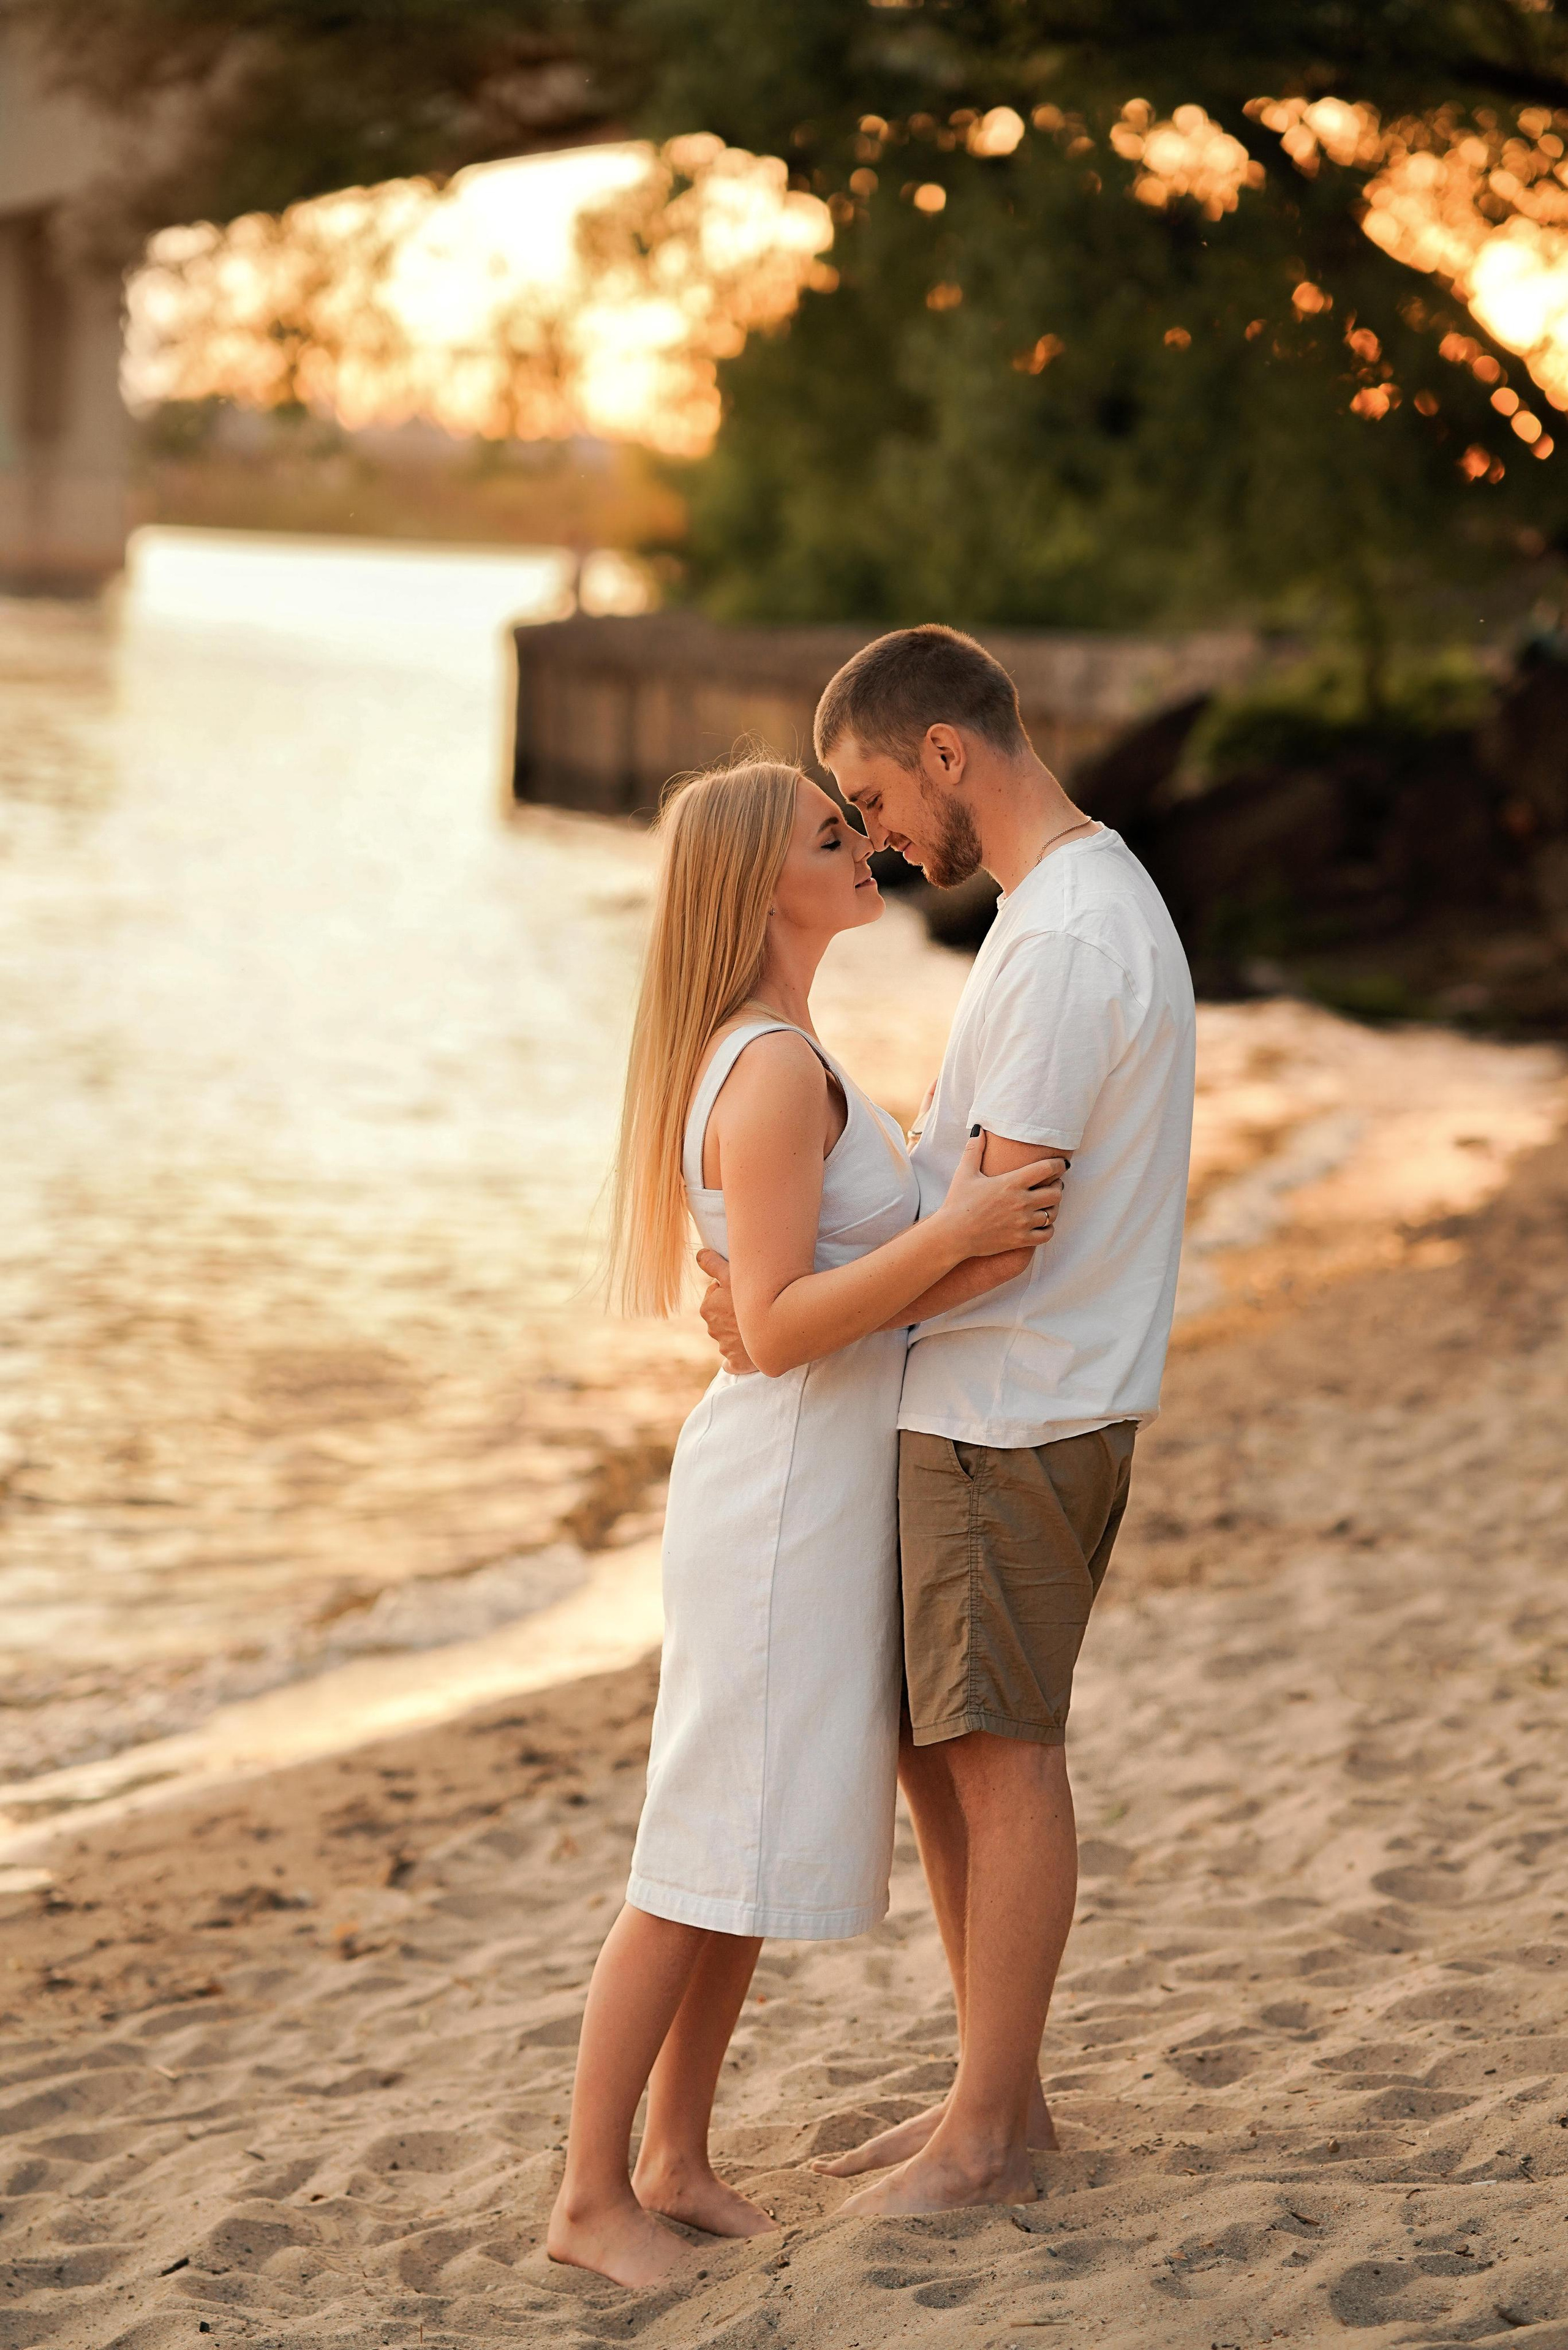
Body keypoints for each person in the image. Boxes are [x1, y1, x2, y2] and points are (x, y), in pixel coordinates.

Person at [546, 756, 1065, 2288]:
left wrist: (952, 1252)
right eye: (828, 835)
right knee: (690, 1851)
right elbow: (771, 1326)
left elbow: (784, 1300)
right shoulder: (769, 1068)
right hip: (776, 1503)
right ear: (758, 883)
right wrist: (959, 1229)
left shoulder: (781, 1046)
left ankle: (675, 2156)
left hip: (808, 1492)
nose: (863, 848)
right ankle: (588, 2194)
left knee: (741, 1848)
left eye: (856, 824)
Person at [700, 628, 1196, 2214]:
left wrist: (783, 1326)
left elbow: (1005, 1225)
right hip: (997, 1390)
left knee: (998, 1751)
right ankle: (1001, 2099)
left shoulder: (1060, 940)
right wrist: (794, 1298)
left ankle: (990, 2132)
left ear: (945, 753)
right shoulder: (1060, 909)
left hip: (1016, 1399)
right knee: (946, 1744)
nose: (875, 834)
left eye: (869, 794)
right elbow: (967, 1205)